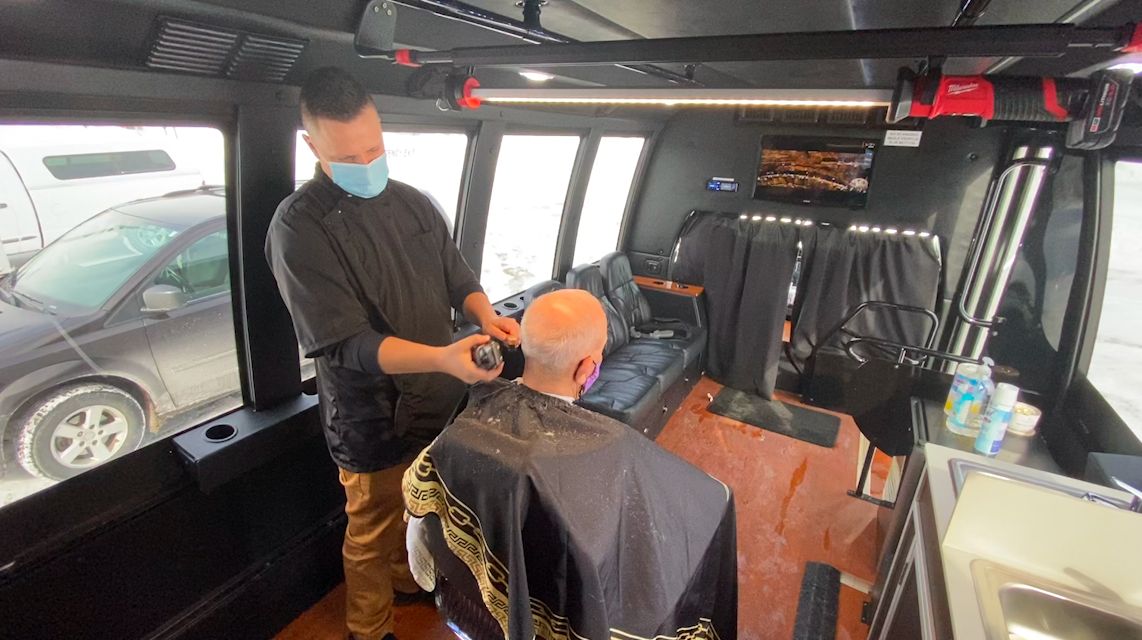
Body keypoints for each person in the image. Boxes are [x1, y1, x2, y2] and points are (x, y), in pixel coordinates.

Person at [265, 66, 519, 640]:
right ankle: (369, 626)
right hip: (368, 416)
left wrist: (487, 317)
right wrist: (443, 358)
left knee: (422, 507)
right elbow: (346, 345)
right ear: (313, 146)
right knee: (371, 527)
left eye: (374, 149)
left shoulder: (411, 203)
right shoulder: (298, 230)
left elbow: (459, 278)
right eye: (349, 159)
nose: (367, 166)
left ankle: (409, 582)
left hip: (439, 399)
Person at [404, 290, 737, 640]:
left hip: (465, 611)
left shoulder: (461, 427)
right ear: (587, 368)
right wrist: (720, 498)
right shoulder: (615, 448)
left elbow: (421, 540)